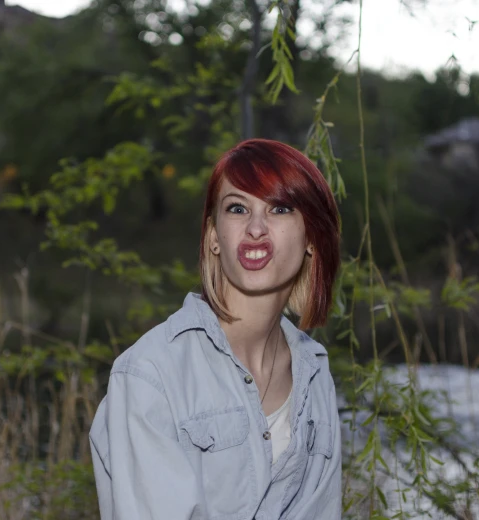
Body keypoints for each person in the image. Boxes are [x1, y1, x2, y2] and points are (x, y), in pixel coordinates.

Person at [89, 138, 342, 519]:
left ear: (311, 238)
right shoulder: (151, 374)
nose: (256, 228)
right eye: (237, 208)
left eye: (280, 208)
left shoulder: (314, 372)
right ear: (213, 236)